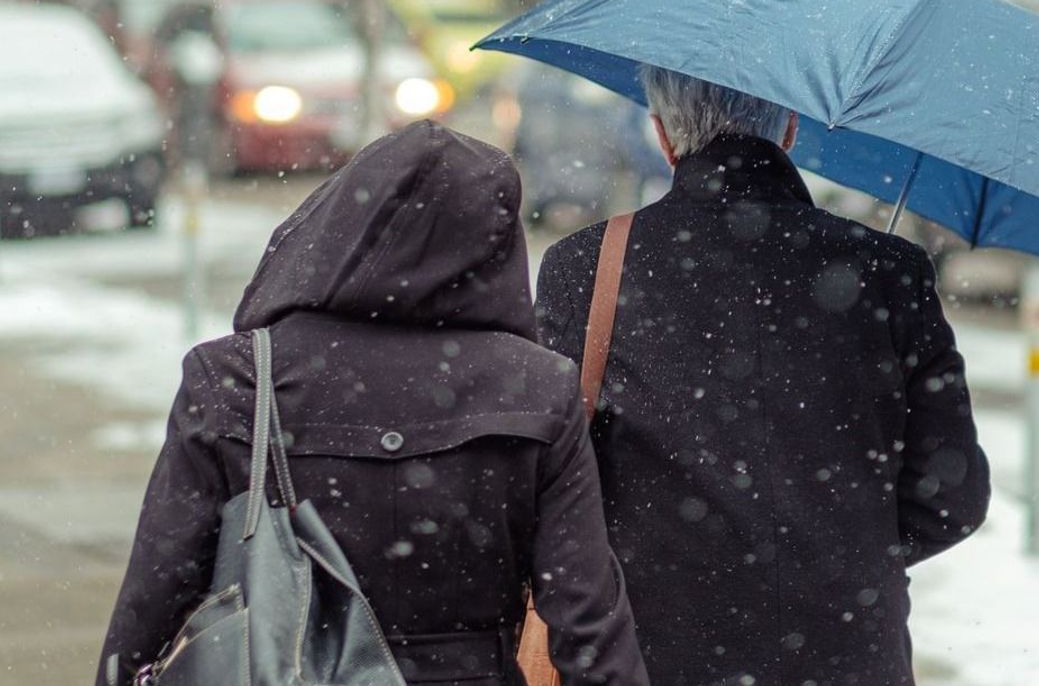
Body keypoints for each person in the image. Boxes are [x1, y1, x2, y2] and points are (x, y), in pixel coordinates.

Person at [98, 121, 649, 686]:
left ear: (336, 224)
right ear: (494, 244)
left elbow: (155, 598)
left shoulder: (237, 377)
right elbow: (587, 621)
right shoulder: (536, 387)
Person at [535, 66, 991, 685]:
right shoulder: (889, 269)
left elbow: (554, 483)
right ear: (792, 127)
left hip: (653, 655)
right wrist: (843, 555)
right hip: (850, 655)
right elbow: (951, 498)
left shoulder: (585, 268)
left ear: (664, 135)